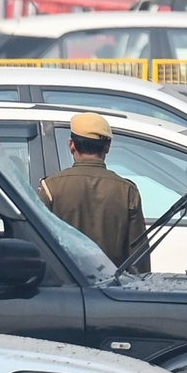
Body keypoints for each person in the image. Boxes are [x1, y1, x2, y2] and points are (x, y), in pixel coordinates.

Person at [37, 112, 150, 271]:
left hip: (65, 287)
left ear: (71, 145)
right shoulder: (127, 191)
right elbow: (139, 257)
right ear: (107, 147)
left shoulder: (51, 187)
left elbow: (40, 246)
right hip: (111, 288)